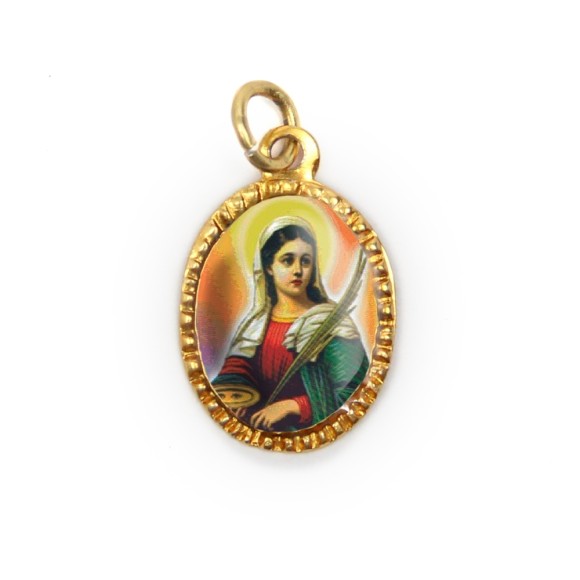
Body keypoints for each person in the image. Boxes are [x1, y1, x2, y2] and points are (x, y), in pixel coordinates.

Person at [212, 216, 369, 431]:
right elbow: (237, 373)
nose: (298, 270)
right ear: (268, 266)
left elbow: (352, 391)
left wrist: (295, 406)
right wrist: (236, 397)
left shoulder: (331, 324)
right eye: (287, 260)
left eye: (305, 261)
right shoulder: (256, 325)